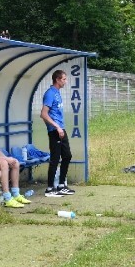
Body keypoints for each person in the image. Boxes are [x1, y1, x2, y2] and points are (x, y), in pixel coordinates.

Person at [40, 69, 75, 197]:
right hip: (56, 130)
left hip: (60, 128)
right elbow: (43, 114)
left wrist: (60, 128)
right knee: (55, 159)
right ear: (57, 80)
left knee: (67, 156)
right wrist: (55, 127)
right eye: (64, 79)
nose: (66, 81)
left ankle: (61, 185)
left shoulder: (57, 93)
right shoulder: (50, 93)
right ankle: (50, 188)